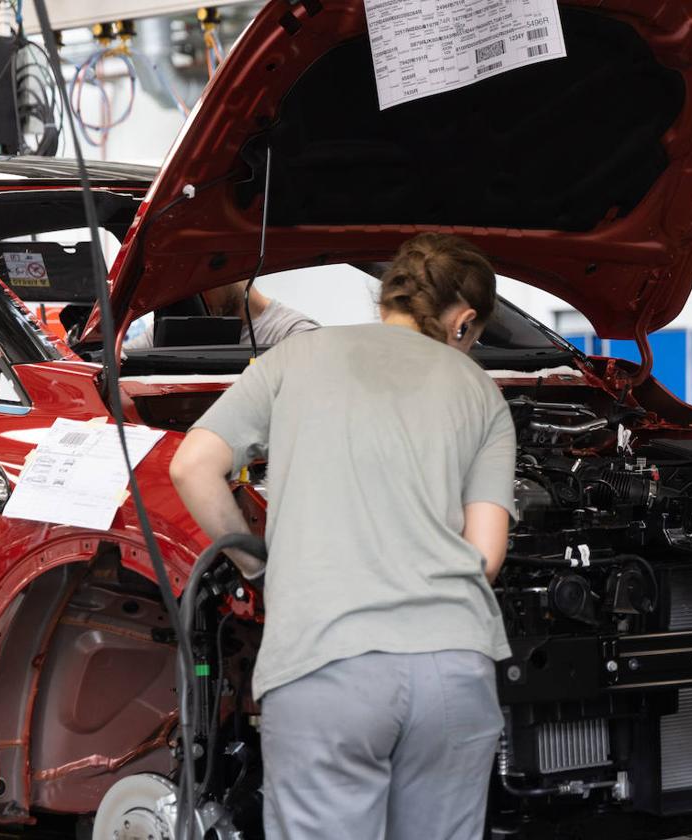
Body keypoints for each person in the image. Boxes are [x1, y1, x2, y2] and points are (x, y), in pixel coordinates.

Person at [170, 233, 516, 840]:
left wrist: (258, 568)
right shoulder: (482, 394)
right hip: (454, 672)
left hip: (326, 665)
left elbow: (191, 466)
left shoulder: (291, 359)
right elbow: (485, 556)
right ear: (463, 321)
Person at [123, 282, 318, 350]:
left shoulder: (293, 333)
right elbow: (118, 358)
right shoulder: (182, 328)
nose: (199, 294)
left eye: (206, 282)